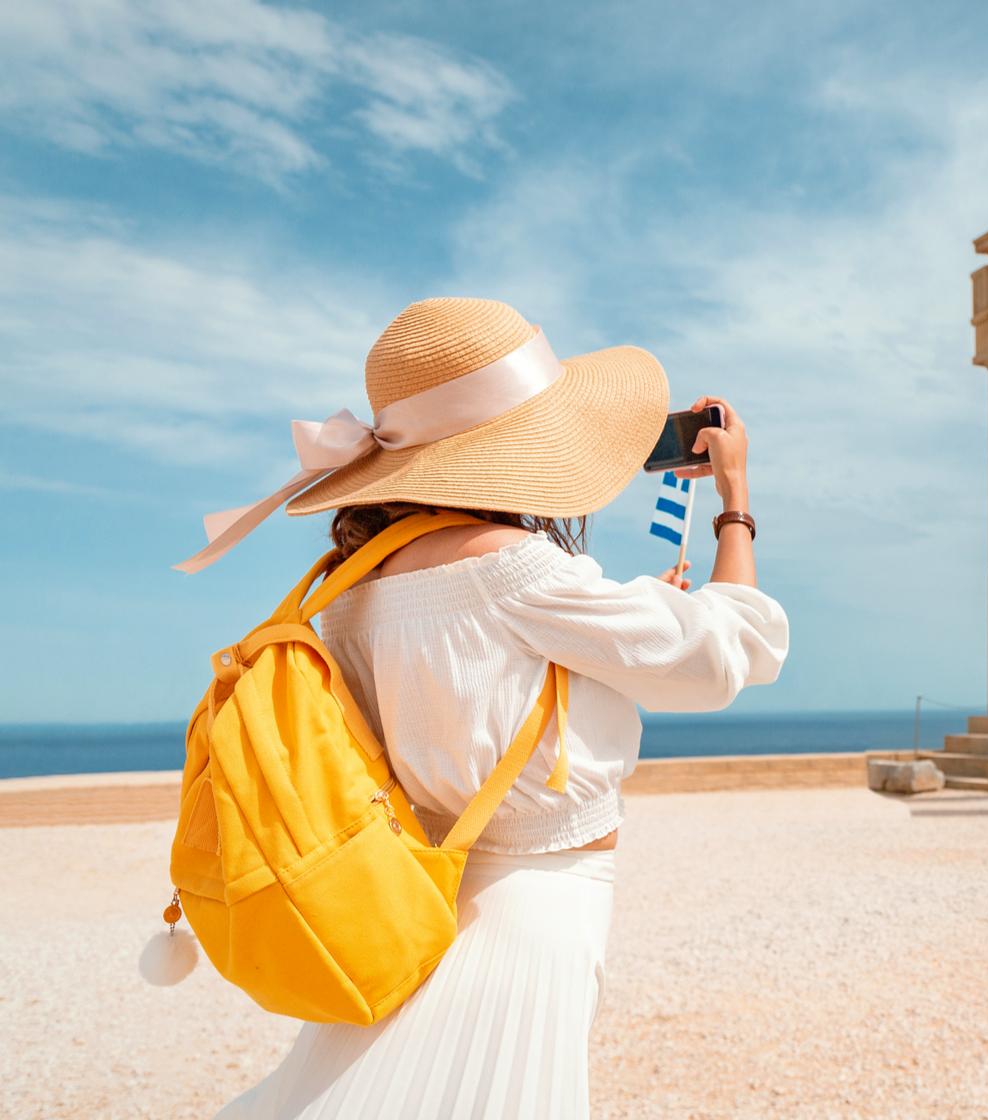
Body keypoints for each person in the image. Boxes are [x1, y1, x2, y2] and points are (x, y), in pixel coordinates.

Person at [199, 297, 789, 1117]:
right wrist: (735, 500)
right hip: (532, 914)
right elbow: (729, 653)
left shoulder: (351, 584)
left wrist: (626, 617)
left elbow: (476, 677)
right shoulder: (517, 568)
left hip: (411, 904)